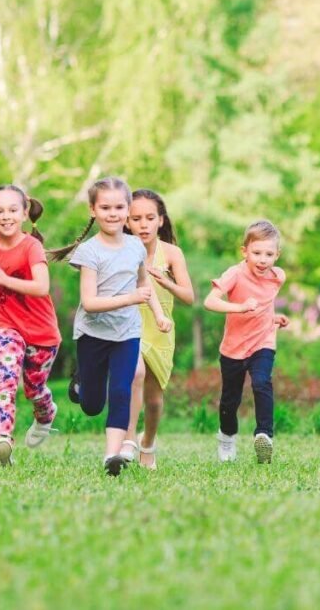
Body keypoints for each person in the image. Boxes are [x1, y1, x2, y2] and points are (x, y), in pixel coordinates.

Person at [52, 177, 172, 476]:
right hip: (93, 334)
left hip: (127, 333)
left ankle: (112, 455)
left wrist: (158, 314)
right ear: (93, 210)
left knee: (122, 389)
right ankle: (82, 380)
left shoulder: (135, 247)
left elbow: (144, 283)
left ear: (128, 209)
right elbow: (90, 302)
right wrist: (130, 297)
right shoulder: (89, 252)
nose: (113, 213)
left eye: (119, 207)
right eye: (105, 207)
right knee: (92, 405)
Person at [0, 185, 61, 466]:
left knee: (34, 389)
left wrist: (4, 280)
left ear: (25, 213)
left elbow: (42, 287)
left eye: (13, 210)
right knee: (6, 375)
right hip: (7, 324)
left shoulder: (32, 246)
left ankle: (45, 413)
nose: (6, 216)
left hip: (42, 331)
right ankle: (1, 439)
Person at [121, 189, 194, 469]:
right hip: (129, 326)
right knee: (132, 379)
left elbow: (189, 297)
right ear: (127, 222)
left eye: (149, 217)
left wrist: (166, 283)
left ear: (160, 221)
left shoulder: (172, 253)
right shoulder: (121, 251)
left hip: (161, 330)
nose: (143, 224)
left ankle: (147, 442)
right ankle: (127, 442)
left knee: (153, 400)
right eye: (136, 218)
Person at [204, 220, 288, 464]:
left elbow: (264, 304)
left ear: (277, 255)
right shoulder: (235, 274)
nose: (263, 260)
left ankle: (264, 435)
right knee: (231, 399)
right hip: (233, 347)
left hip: (263, 341)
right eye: (257, 253)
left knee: (262, 382)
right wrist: (239, 307)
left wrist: (273, 318)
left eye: (269, 254)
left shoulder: (277, 276)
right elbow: (210, 301)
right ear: (245, 252)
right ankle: (226, 438)